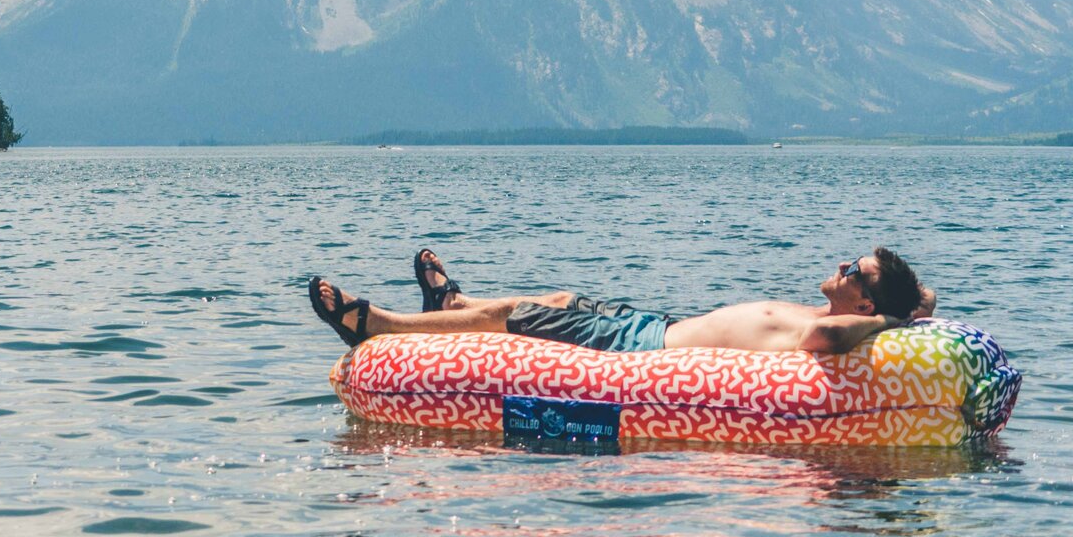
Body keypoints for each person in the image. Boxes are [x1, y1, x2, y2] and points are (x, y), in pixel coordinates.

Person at [307, 246, 934, 357]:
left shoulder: (834, 331)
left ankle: (380, 327)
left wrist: (885, 317)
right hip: (653, 324)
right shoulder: (837, 313)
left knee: (518, 320)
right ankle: (453, 303)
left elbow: (825, 342)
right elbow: (925, 300)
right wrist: (906, 305)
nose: (841, 265)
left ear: (864, 301)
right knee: (557, 296)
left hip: (643, 348)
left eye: (855, 269)